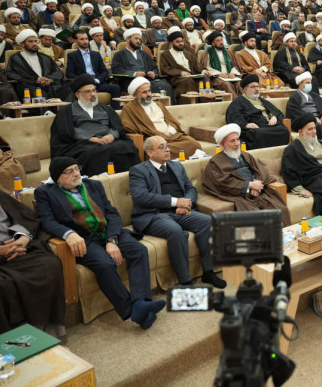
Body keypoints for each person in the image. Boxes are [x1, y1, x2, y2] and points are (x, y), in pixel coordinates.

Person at [36, 157, 166, 329]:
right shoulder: (45, 193)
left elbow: (111, 213)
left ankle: (141, 302)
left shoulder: (93, 185)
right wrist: (69, 234)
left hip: (108, 231)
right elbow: (47, 221)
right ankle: (133, 310)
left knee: (138, 250)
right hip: (83, 238)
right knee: (105, 264)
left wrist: (112, 240)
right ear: (57, 177)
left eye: (77, 168)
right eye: (69, 171)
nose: (76, 173)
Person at [0, 156, 66, 340]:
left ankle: (47, 331)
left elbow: (24, 218)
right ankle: (4, 343)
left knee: (49, 265)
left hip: (14, 250)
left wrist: (22, 238)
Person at [129, 136, 225, 288]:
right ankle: (185, 281)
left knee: (207, 221)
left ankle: (208, 271)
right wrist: (175, 202)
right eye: (162, 147)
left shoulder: (177, 166)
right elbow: (141, 197)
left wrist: (187, 203)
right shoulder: (138, 171)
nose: (167, 150)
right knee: (175, 231)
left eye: (167, 146)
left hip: (182, 212)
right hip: (155, 214)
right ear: (150, 153)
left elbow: (190, 189)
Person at [50, 75, 140, 176]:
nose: (93, 94)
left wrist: (112, 135)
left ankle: (130, 178)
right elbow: (65, 131)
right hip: (82, 143)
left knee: (126, 147)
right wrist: (90, 138)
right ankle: (97, 182)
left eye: (94, 90)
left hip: (108, 141)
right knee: (93, 152)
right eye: (88, 91)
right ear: (77, 94)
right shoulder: (67, 111)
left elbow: (117, 126)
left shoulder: (106, 108)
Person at [202, 124, 290, 226]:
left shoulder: (245, 155)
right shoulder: (216, 162)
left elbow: (260, 171)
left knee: (281, 209)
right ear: (223, 144)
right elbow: (222, 183)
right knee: (257, 219)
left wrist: (257, 185)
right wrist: (249, 186)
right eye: (232, 141)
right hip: (239, 196)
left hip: (259, 192)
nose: (236, 143)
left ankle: (286, 235)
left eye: (237, 140)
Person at [120, 77, 201, 157]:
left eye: (149, 91)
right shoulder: (129, 108)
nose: (148, 94)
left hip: (171, 136)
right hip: (153, 138)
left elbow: (172, 122)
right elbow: (128, 127)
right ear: (135, 95)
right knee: (161, 149)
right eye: (144, 92)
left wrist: (170, 132)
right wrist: (156, 134)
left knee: (193, 144)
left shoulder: (158, 104)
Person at [225, 74, 290, 150]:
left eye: (258, 86)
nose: (256, 89)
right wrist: (246, 125)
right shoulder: (238, 102)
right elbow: (233, 118)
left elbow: (277, 112)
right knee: (259, 134)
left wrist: (274, 116)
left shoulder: (262, 100)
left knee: (284, 130)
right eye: (253, 87)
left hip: (269, 126)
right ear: (245, 89)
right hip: (256, 129)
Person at [111, 27, 175, 103]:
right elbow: (116, 70)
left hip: (147, 80)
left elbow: (154, 68)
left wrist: (153, 73)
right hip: (130, 81)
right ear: (128, 39)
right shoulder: (119, 54)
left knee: (165, 86)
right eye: (136, 39)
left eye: (139, 39)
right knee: (152, 87)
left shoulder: (144, 54)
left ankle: (167, 108)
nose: (138, 41)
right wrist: (134, 74)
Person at [6, 30, 72, 103]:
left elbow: (57, 72)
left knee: (67, 89)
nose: (34, 44)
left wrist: (49, 79)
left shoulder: (45, 57)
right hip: (28, 87)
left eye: (35, 41)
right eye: (30, 41)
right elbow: (11, 74)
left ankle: (66, 110)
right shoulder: (16, 58)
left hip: (48, 85)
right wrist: (35, 80)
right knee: (38, 92)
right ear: (22, 44)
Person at [66, 30, 122, 110]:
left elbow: (104, 71)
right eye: (82, 39)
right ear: (75, 41)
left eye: (86, 39)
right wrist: (83, 80)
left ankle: (115, 112)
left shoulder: (96, 54)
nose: (85, 41)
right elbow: (69, 73)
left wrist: (98, 80)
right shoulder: (72, 55)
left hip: (97, 82)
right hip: (83, 83)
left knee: (116, 88)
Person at [158, 30, 213, 100]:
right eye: (177, 42)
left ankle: (206, 104)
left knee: (205, 79)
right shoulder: (165, 55)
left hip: (192, 76)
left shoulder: (188, 54)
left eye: (182, 41)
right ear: (171, 43)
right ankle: (189, 104)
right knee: (188, 80)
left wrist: (204, 71)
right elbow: (165, 68)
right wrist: (180, 72)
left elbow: (197, 66)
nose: (181, 43)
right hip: (177, 79)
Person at [286, 72, 322, 137]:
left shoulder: (314, 95)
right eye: (307, 83)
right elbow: (295, 113)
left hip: (320, 117)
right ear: (300, 84)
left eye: (310, 83)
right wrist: (312, 118)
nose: (310, 85)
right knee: (316, 126)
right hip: (306, 120)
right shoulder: (294, 97)